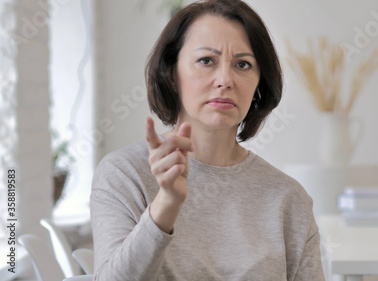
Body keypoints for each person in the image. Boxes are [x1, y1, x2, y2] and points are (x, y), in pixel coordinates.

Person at [90, 0, 325, 280]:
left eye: (243, 64)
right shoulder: (124, 174)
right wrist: (166, 204)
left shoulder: (289, 199)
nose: (225, 79)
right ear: (171, 74)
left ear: (259, 83)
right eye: (206, 61)